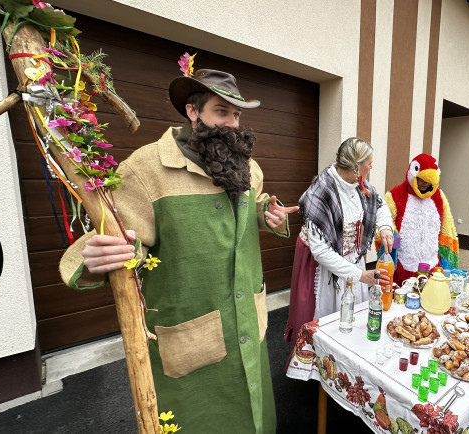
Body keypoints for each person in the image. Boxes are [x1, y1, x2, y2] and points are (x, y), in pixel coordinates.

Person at [59, 68, 297, 433]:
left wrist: (267, 214)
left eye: (237, 114)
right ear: (193, 111)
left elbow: (251, 208)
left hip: (249, 319)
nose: (233, 124)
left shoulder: (248, 167)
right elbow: (122, 236)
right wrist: (98, 257)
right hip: (190, 340)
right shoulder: (145, 169)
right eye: (222, 112)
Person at [283, 137, 395, 343]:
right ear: (355, 167)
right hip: (324, 266)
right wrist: (360, 275)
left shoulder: (358, 184)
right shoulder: (319, 194)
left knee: (353, 314)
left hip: (353, 257)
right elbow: (322, 252)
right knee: (329, 315)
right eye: (368, 163)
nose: (371, 167)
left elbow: (379, 205)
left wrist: (386, 227)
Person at [382, 153, 459, 286]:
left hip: (433, 267)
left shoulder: (439, 197)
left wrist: (448, 263)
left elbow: (447, 229)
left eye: (428, 181)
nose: (424, 184)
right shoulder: (395, 195)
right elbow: (385, 224)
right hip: (403, 267)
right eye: (421, 180)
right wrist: (394, 247)